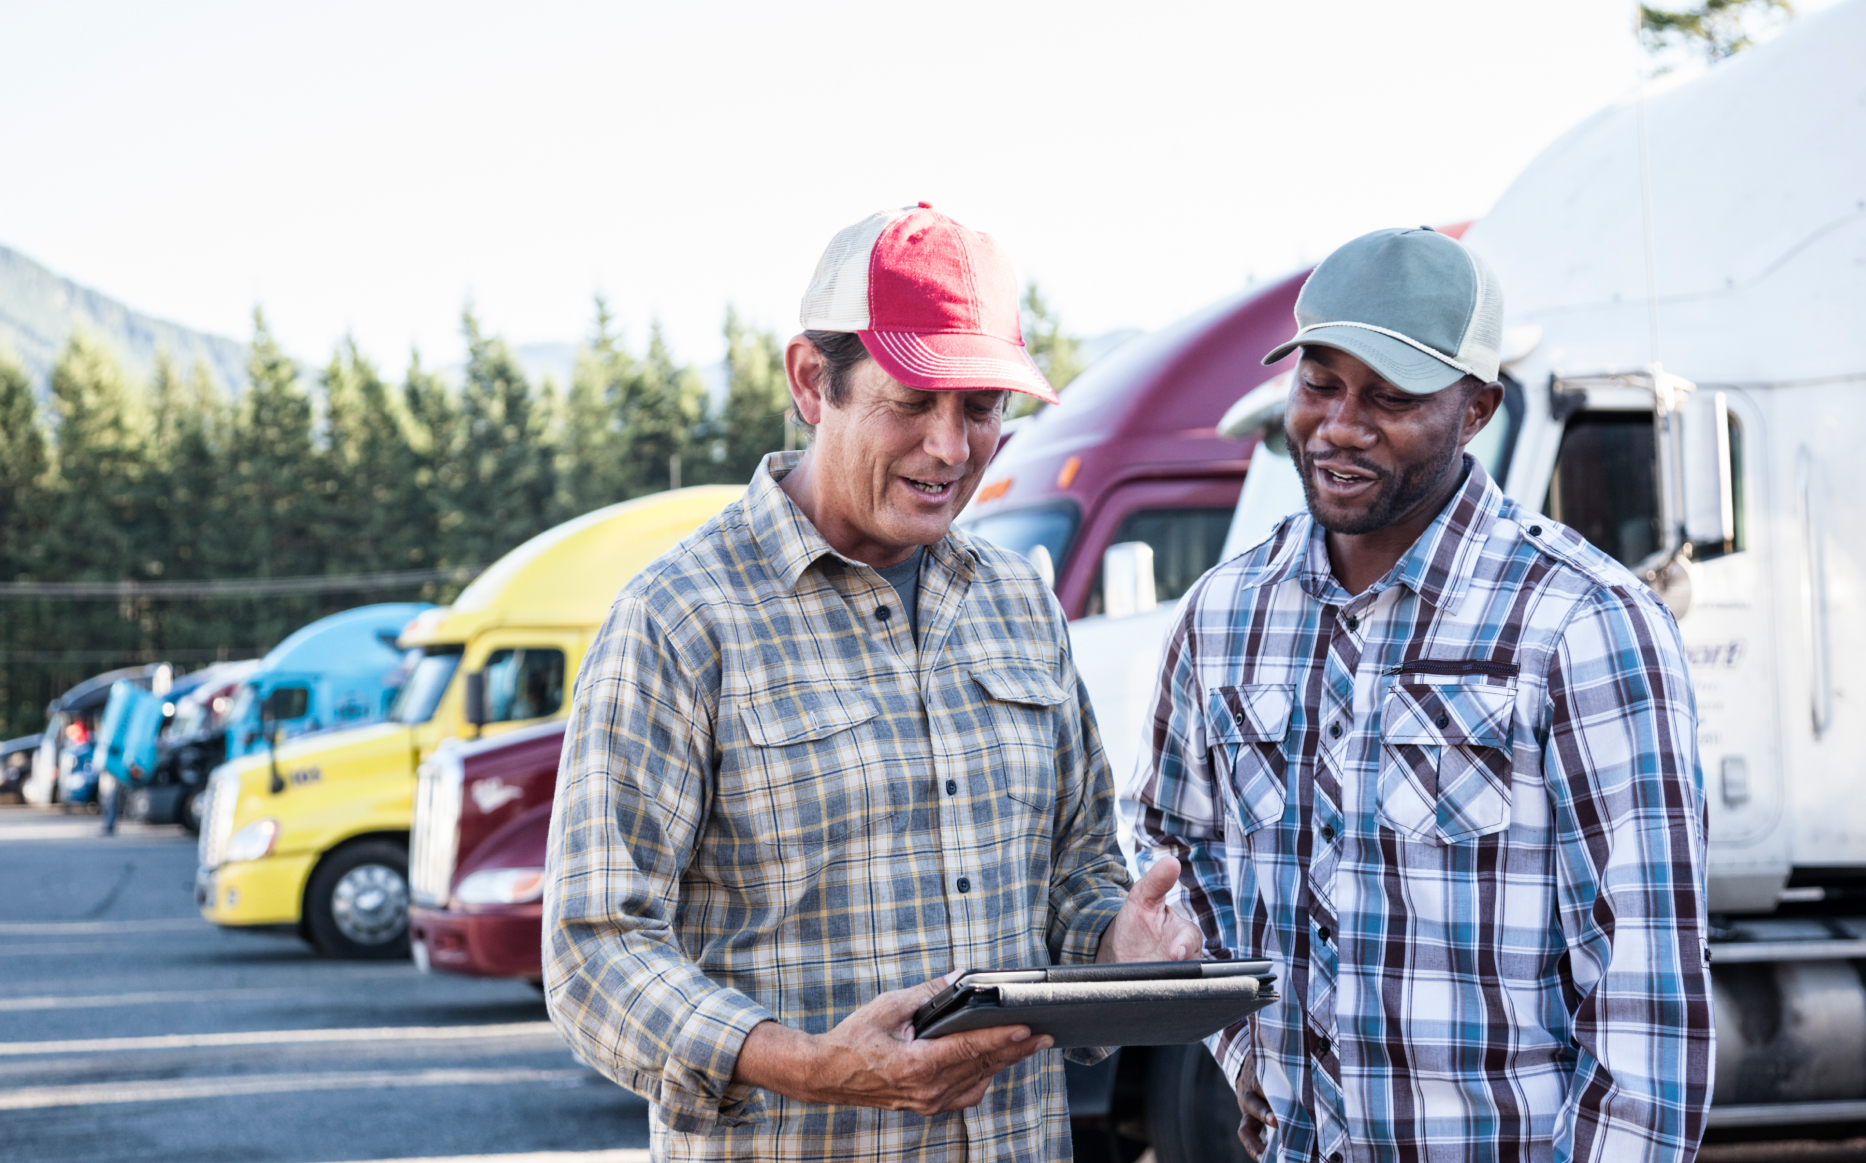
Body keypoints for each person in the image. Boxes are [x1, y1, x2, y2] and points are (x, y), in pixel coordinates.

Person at [544, 203, 1200, 1161]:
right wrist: (815, 1065)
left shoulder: (1020, 603)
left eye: (981, 409)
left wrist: (1119, 952)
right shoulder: (680, 619)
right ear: (813, 381)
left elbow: (1075, 877)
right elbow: (595, 951)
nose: (950, 447)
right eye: (912, 401)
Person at [1126, 228, 1713, 1161]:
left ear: (1476, 407)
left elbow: (1643, 992)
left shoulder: (1584, 622)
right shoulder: (1223, 614)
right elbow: (1175, 843)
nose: (1342, 426)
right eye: (1320, 383)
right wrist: (1247, 1051)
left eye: (1391, 398)